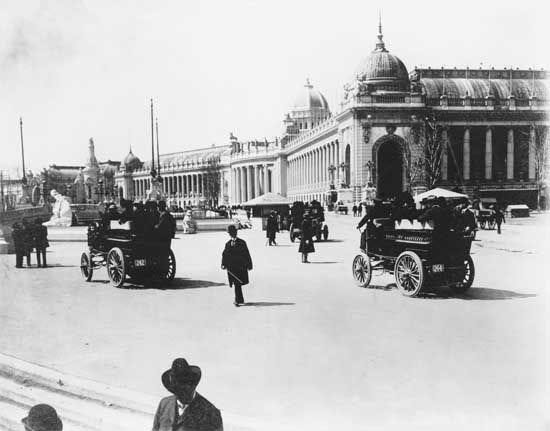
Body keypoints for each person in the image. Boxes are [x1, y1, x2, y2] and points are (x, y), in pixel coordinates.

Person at [152, 358, 223, 431]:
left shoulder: (211, 413)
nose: (183, 393)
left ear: (194, 384)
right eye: (178, 389)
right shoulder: (164, 404)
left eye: (186, 387)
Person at [221, 225, 252, 306]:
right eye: (230, 233)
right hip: (232, 268)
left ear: (236, 233)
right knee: (236, 283)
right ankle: (239, 299)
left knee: (237, 283)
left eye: (233, 232)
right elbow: (224, 255)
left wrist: (249, 265)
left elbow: (246, 254)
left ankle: (238, 299)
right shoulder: (228, 244)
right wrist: (223, 264)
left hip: (240, 267)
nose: (232, 234)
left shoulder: (242, 243)